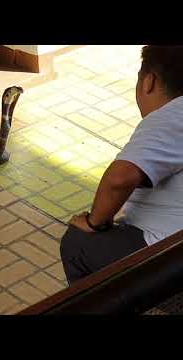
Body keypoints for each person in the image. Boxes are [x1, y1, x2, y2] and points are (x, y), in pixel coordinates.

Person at [60, 45, 183, 285]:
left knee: (77, 243)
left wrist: (95, 222)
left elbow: (120, 179)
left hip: (171, 251)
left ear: (149, 81)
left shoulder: (172, 114)